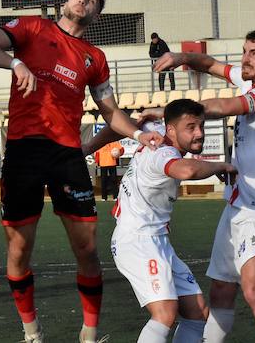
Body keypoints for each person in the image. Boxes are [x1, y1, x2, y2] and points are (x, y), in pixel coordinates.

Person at [0, 0, 163, 343]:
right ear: (66, 1)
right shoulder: (31, 27)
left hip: (66, 154)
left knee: (87, 247)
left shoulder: (95, 58)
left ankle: (89, 334)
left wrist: (138, 134)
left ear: (96, 14)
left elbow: (111, 112)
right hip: (24, 150)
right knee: (19, 249)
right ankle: (32, 332)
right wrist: (15, 63)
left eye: (92, 0)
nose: (84, 1)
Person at [153, 27, 255, 343]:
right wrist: (181, 57)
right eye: (244, 50)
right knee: (222, 290)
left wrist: (175, 113)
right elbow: (211, 64)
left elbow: (227, 107)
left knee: (254, 290)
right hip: (237, 205)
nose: (245, 58)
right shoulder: (248, 78)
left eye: (254, 53)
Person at [101, 100, 236, 342]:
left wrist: (90, 146)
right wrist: (221, 165)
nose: (199, 134)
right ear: (172, 130)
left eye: (201, 126)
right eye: (191, 127)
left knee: (196, 312)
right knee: (164, 313)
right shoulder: (163, 152)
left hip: (158, 242)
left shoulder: (157, 130)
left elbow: (117, 125)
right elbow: (186, 171)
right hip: (137, 240)